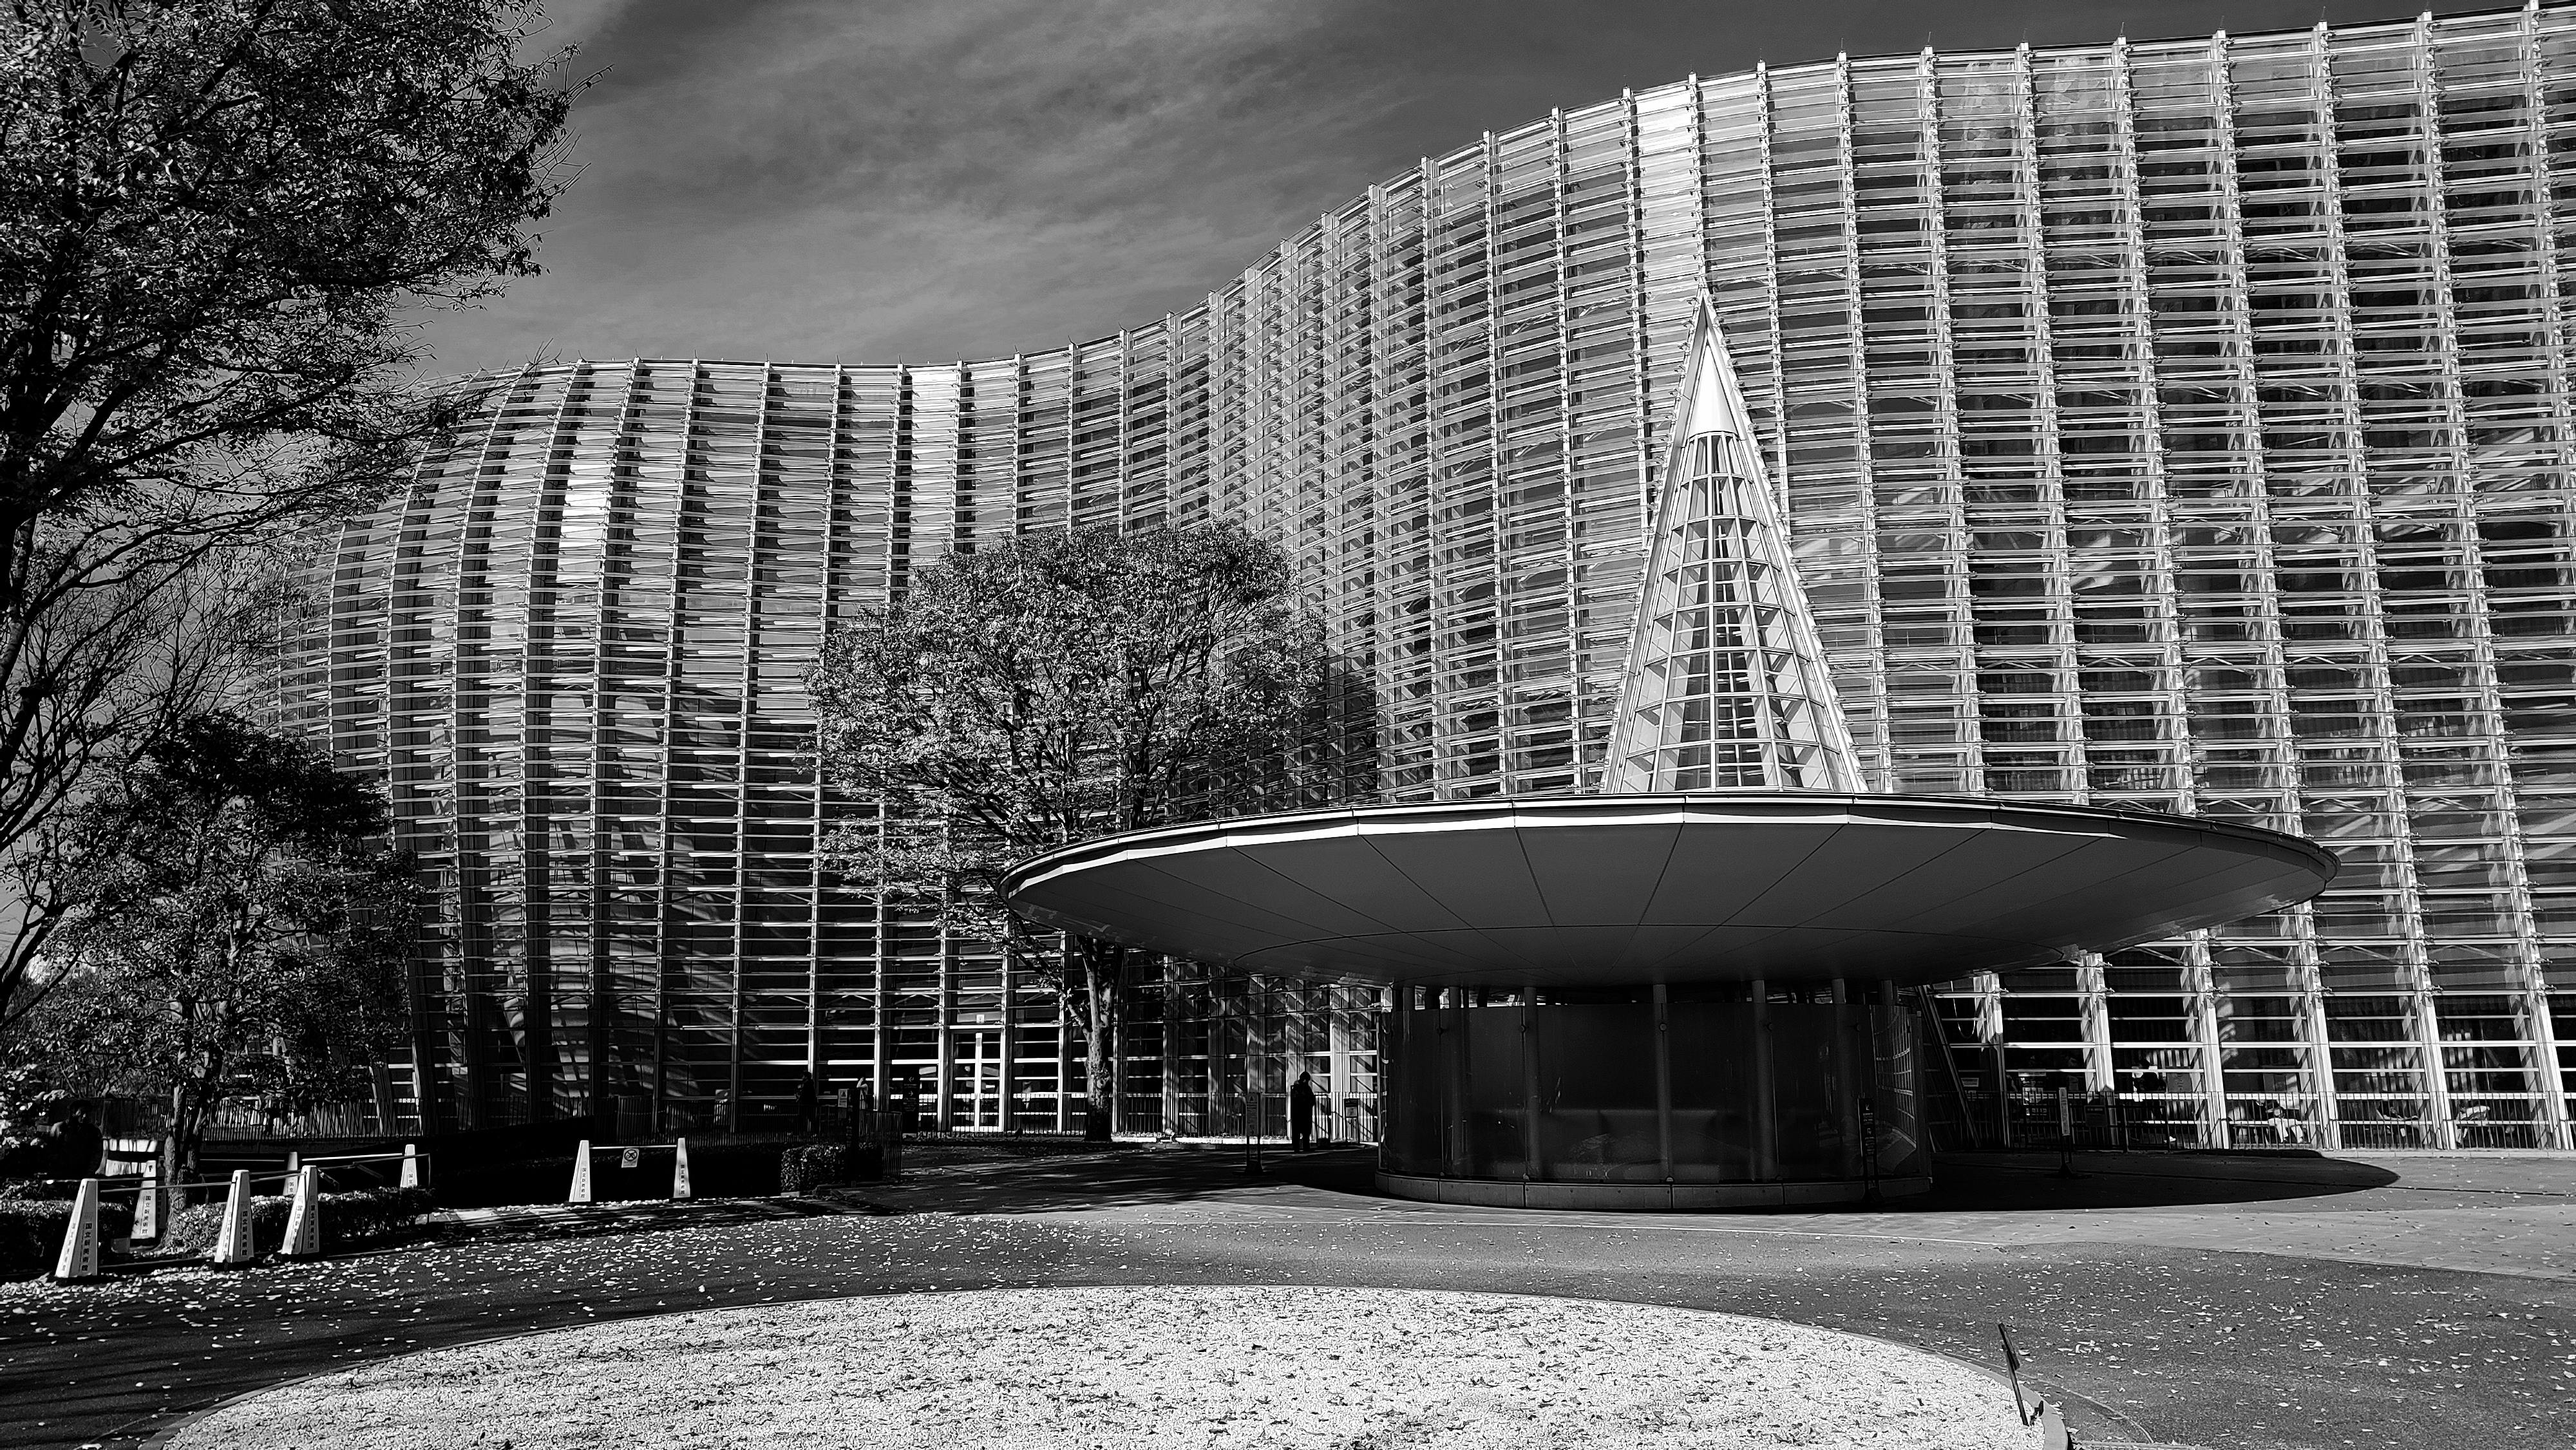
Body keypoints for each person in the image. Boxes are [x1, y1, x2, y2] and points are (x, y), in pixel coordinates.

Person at [1288, 1070, 1318, 1151]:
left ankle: (1297, 1148)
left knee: (1297, 1132)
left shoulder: (1295, 1088)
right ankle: (1305, 1147)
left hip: (1297, 1114)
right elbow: (1311, 1099)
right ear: (1305, 1080)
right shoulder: (1305, 1088)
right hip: (1305, 1113)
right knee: (1305, 1132)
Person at [794, 1071, 820, 1135]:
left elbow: (804, 1095)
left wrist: (799, 1098)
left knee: (803, 1118)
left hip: (807, 1105)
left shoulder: (807, 1085)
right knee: (810, 1119)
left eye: (803, 1076)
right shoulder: (810, 1084)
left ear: (806, 1077)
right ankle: (815, 1132)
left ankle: (799, 1133)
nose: (802, 1077)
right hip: (809, 1104)